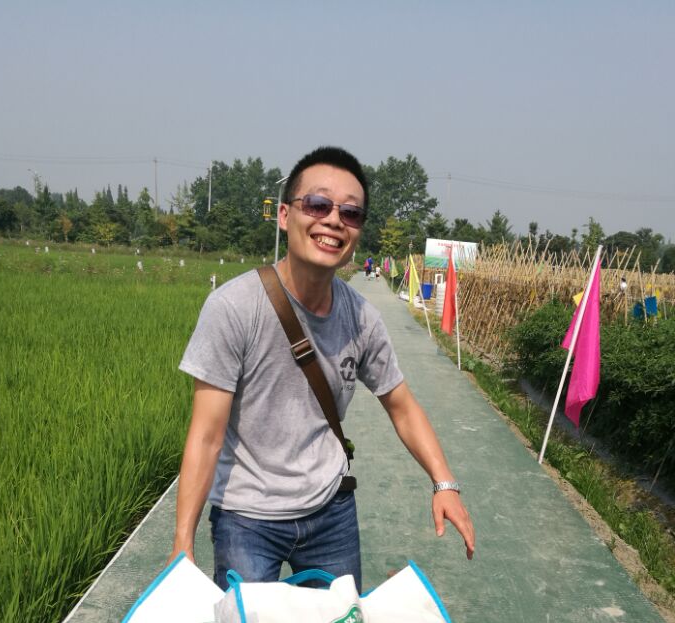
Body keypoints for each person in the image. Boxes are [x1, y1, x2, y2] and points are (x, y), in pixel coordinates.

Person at [170, 145, 474, 592]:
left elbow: (402, 406)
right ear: (285, 215)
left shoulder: (361, 318)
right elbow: (206, 434)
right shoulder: (233, 307)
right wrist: (183, 541)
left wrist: (444, 483)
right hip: (246, 515)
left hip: (331, 511)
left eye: (350, 213)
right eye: (317, 204)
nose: (333, 220)